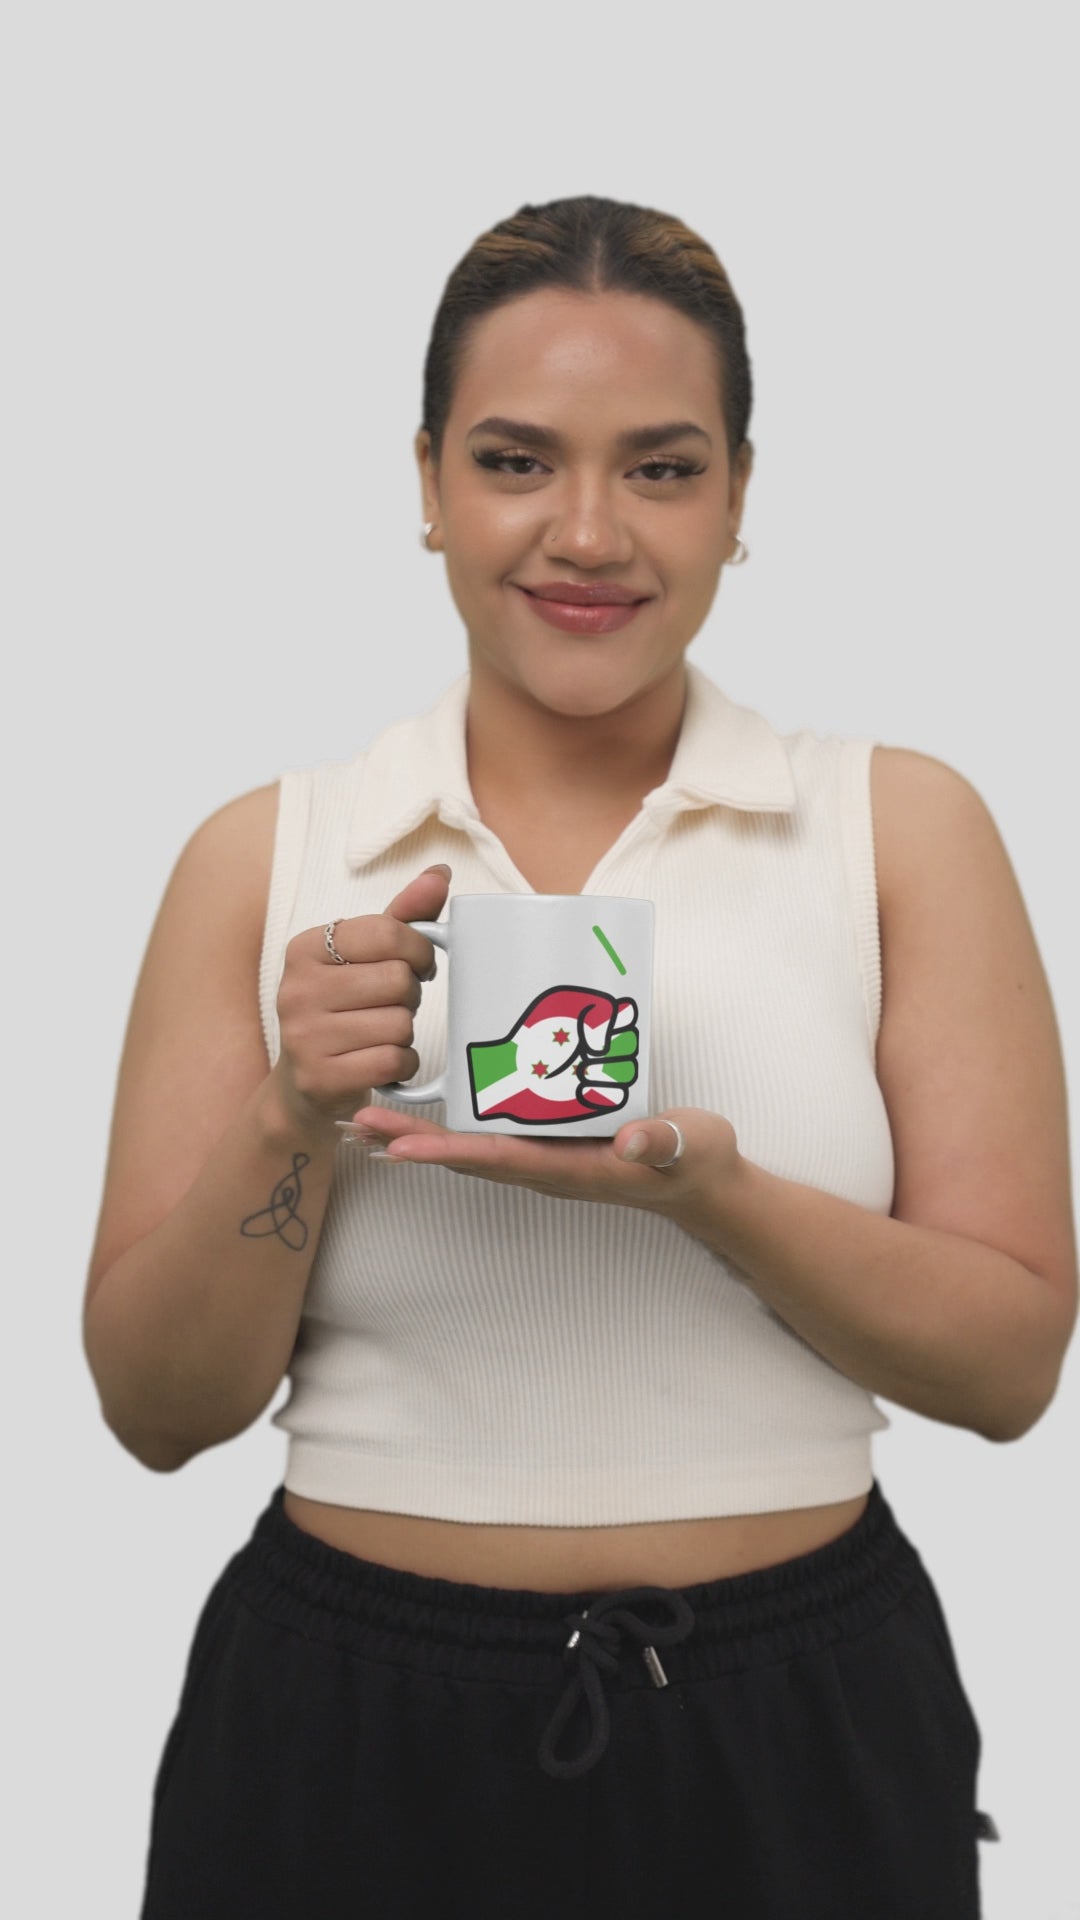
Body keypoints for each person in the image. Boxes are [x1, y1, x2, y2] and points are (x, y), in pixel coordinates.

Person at [82, 194, 1075, 1918]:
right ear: (427, 483)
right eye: (518, 459)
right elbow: (159, 1416)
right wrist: (288, 1116)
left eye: (665, 467)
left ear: (743, 496)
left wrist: (715, 1198)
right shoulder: (268, 854)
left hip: (798, 1712)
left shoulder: (895, 829)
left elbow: (1008, 1371)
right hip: (343, 1720)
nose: (589, 532)